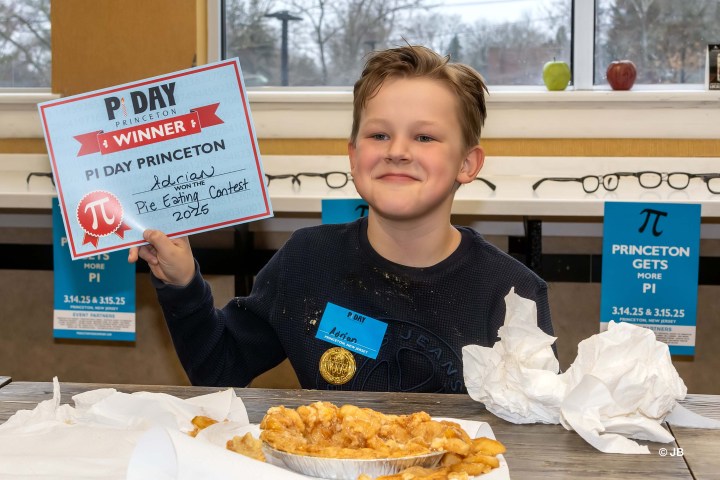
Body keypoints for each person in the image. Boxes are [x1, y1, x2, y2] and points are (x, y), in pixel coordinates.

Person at [129, 45, 554, 393]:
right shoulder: (306, 261)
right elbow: (219, 371)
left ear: (467, 163)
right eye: (379, 135)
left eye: (424, 137)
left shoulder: (512, 295)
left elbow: (532, 427)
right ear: (354, 156)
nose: (398, 151)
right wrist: (182, 284)